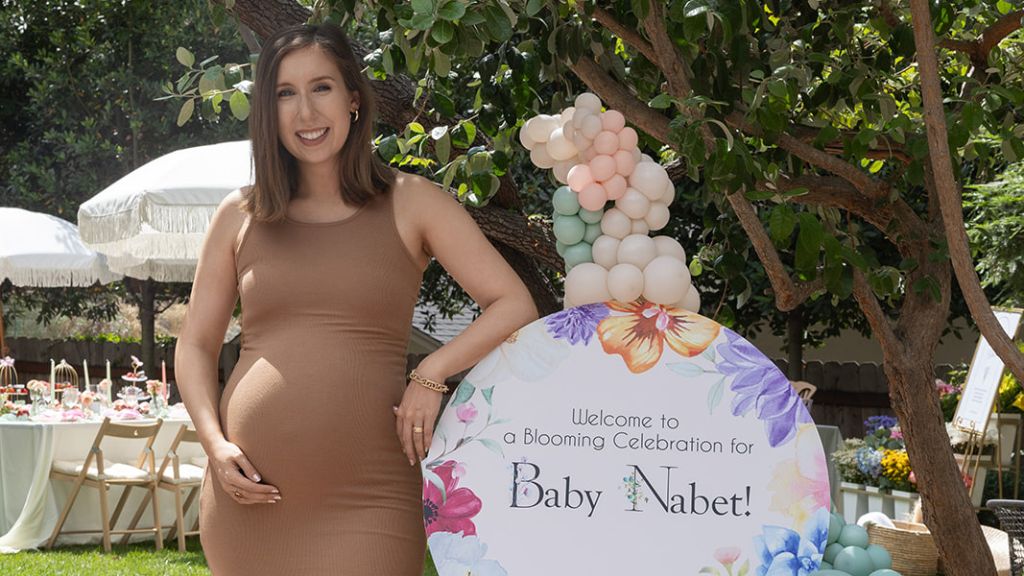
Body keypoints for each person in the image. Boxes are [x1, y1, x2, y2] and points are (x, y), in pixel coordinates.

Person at [175, 23, 537, 575]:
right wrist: (214, 445)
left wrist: (431, 373)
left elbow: (514, 303)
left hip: (371, 496)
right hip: (249, 498)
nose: (305, 112)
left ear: (352, 99)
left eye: (320, 87)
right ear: (268, 113)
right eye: (285, 93)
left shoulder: (414, 203)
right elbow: (197, 345)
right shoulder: (238, 215)